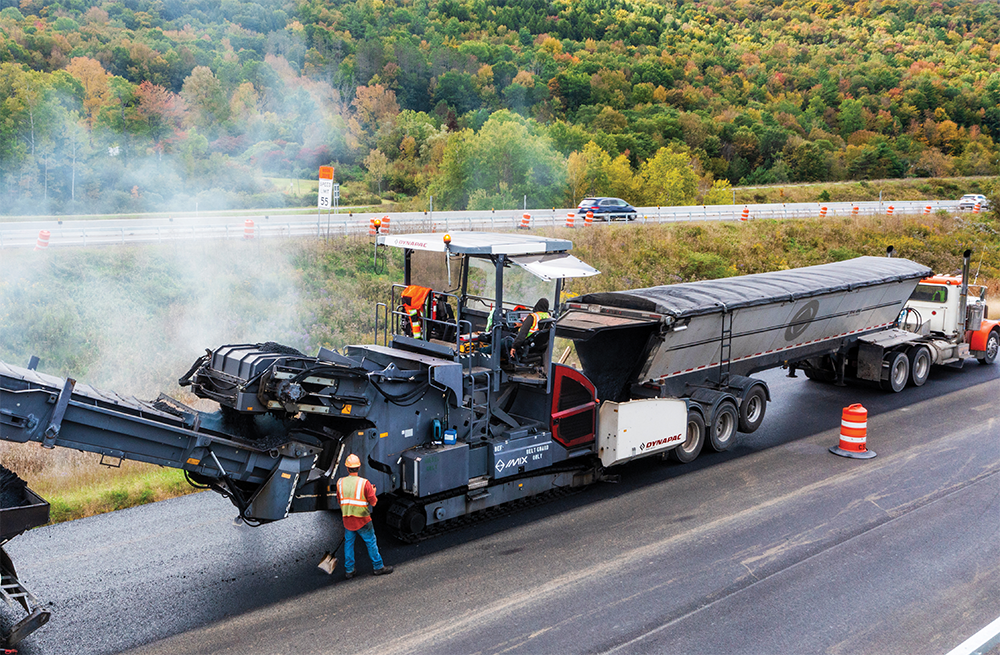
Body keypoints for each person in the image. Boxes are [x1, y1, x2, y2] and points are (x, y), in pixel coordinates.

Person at [336, 453, 393, 579]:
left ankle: (349, 570)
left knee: (349, 544)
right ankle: (378, 567)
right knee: (371, 542)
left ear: (347, 468)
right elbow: (374, 502)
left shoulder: (340, 483)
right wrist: (373, 491)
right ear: (359, 467)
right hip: (363, 520)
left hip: (347, 519)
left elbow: (340, 501)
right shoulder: (364, 483)